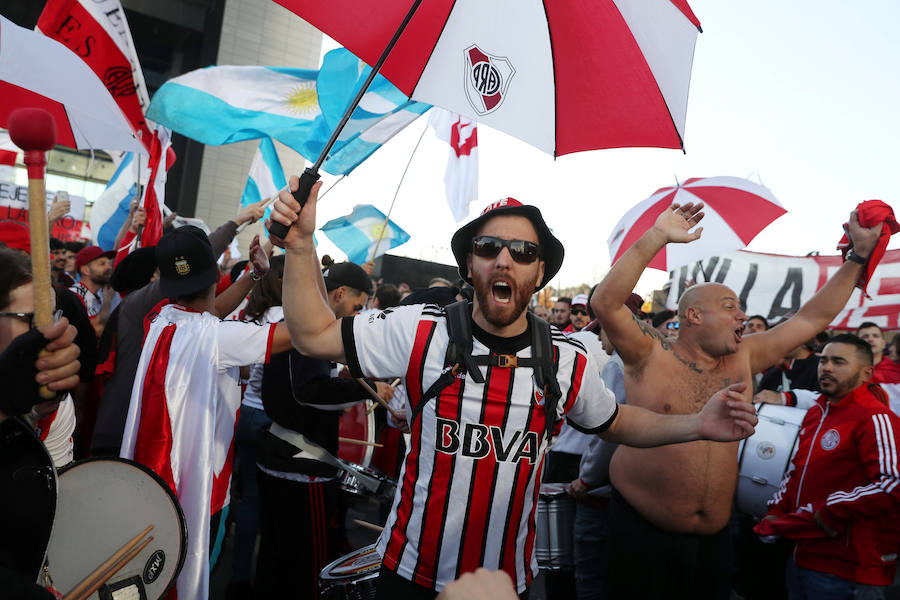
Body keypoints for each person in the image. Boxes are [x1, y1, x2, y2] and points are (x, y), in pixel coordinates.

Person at [269, 183, 757, 597]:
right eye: (488, 248)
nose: (505, 260)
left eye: (523, 252)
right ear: (468, 265)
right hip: (409, 574)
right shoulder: (420, 328)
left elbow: (619, 423)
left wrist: (698, 424)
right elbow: (313, 335)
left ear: (539, 273)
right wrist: (299, 245)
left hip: (508, 585)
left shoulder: (568, 357)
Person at [590, 201, 883, 599]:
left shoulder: (744, 355)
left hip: (714, 540)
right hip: (642, 532)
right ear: (693, 316)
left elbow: (811, 319)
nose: (743, 316)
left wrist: (857, 257)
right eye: (731, 308)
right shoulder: (650, 353)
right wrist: (657, 236)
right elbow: (605, 303)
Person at [119, 227, 294, 600]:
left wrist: (254, 276)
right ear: (216, 275)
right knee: (184, 573)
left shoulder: (161, 317)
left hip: (149, 482)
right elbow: (302, 334)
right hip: (199, 491)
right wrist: (299, 261)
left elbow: (208, 310)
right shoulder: (218, 337)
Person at [255, 261, 394, 600]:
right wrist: (369, 388)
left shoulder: (295, 319)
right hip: (304, 470)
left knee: (273, 562)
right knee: (310, 571)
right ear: (340, 293)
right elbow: (310, 392)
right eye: (357, 306)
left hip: (279, 457)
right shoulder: (313, 328)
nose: (358, 314)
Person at [91, 203, 265, 456]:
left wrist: (255, 274)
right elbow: (197, 260)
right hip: (121, 438)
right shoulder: (139, 305)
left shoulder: (166, 314)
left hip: (140, 436)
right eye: (159, 272)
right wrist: (237, 221)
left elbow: (212, 311)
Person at [758, 334, 900, 599]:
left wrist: (829, 512)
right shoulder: (816, 413)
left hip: (846, 567)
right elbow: (796, 470)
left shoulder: (875, 417)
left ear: (866, 372)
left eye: (838, 362)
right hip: (802, 554)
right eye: (823, 360)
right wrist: (777, 510)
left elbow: (892, 483)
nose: (826, 368)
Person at [69, 245, 117, 336]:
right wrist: (107, 301)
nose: (109, 267)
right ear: (86, 270)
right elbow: (94, 330)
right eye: (102, 264)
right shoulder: (75, 294)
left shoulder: (95, 295)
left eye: (109, 263)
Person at [856, 321, 900, 415]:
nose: (870, 339)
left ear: (884, 343)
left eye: (875, 336)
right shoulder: (846, 372)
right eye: (865, 337)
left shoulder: (897, 371)